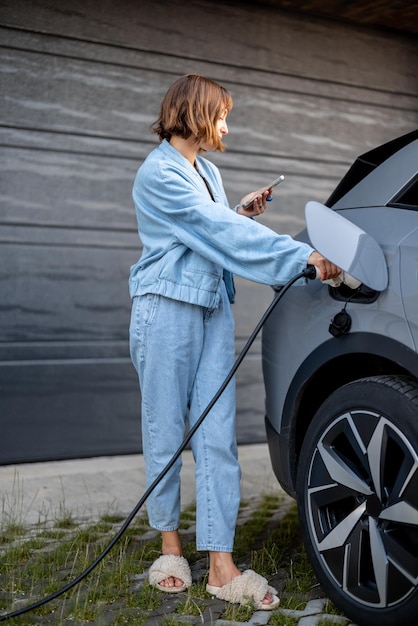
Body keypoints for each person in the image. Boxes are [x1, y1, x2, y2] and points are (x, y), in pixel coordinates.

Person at [129, 73, 340, 609]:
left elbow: (214, 228)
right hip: (167, 311)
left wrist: (240, 212)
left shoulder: (209, 171)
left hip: (211, 311)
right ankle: (170, 548)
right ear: (197, 114)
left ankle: (220, 565)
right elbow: (211, 231)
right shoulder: (158, 172)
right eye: (221, 114)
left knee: (217, 435)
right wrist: (302, 257)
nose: (226, 124)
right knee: (166, 430)